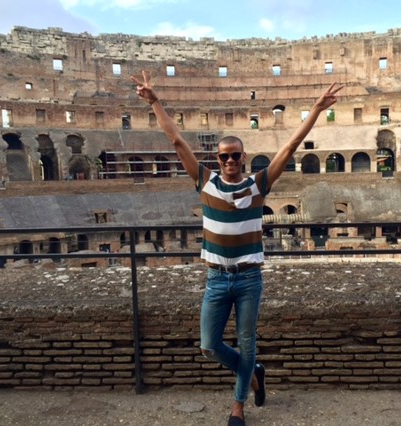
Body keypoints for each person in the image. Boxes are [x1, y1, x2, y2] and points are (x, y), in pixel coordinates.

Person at [131, 70, 343, 426]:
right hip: (216, 279)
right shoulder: (204, 181)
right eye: (224, 157)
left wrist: (317, 110)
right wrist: (154, 102)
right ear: (217, 161)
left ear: (244, 158)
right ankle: (254, 371)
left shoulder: (260, 184)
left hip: (248, 280)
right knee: (209, 346)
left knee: (247, 343)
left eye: (236, 156)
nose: (230, 162)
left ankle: (238, 404)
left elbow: (289, 147)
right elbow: (177, 141)